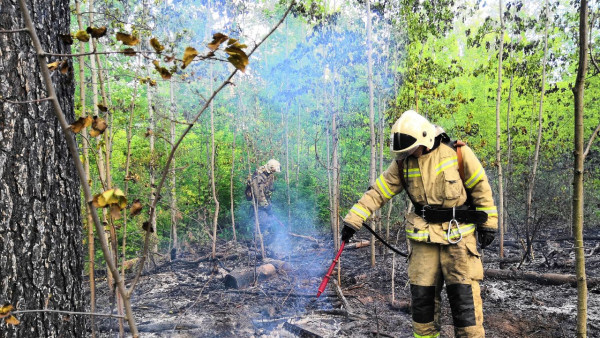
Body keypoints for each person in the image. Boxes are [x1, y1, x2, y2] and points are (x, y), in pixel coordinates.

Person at [341, 110, 497, 338]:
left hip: (459, 240)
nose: (408, 154)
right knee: (422, 307)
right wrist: (353, 220)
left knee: (466, 308)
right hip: (424, 240)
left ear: (425, 137)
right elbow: (378, 192)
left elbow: (480, 187)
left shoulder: (458, 154)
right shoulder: (403, 163)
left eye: (411, 149)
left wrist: (489, 224)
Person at [247, 159, 281, 239]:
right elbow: (258, 193)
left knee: (268, 220)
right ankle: (257, 241)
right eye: (274, 169)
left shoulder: (269, 174)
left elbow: (268, 188)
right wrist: (266, 205)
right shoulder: (258, 176)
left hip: (265, 201)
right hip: (258, 203)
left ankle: (265, 236)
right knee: (262, 220)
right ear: (270, 167)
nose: (274, 172)